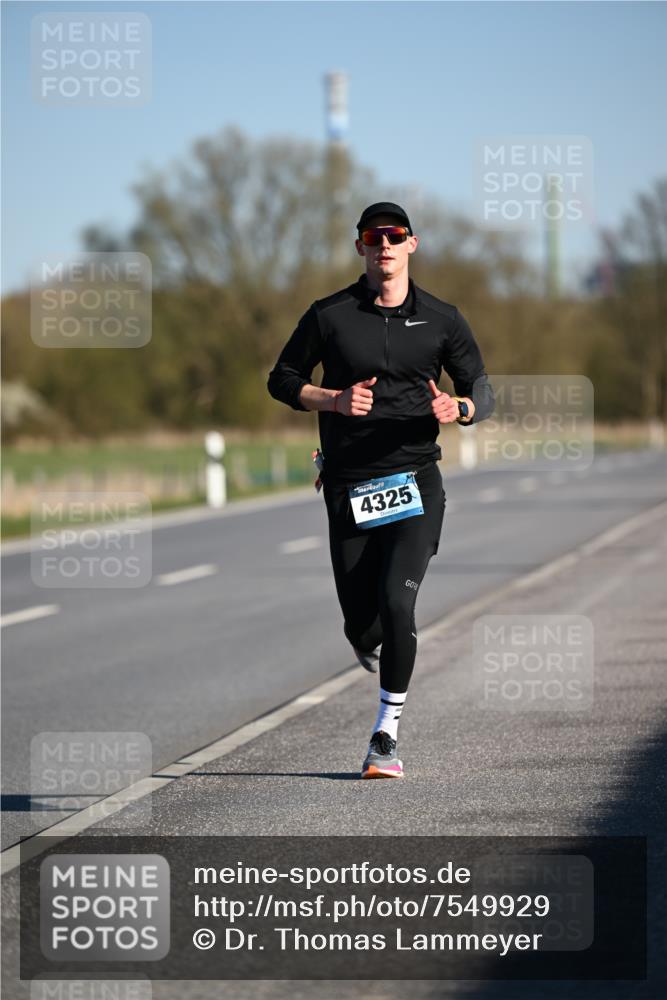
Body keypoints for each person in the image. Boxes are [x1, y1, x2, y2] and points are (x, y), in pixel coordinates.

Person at [268, 202, 494, 779]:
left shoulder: (443, 320)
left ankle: (385, 737)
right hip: (349, 486)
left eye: (395, 238)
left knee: (400, 601)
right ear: (360, 248)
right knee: (364, 623)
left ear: (412, 246)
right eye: (374, 238)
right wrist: (334, 400)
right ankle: (369, 638)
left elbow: (482, 390)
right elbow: (283, 379)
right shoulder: (331, 315)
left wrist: (460, 407)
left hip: (417, 480)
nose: (385, 246)